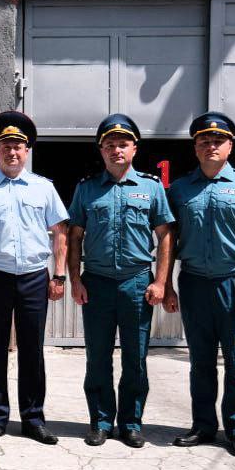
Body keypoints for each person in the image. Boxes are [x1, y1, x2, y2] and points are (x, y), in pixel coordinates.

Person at [162, 111, 235, 457]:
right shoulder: (179, 189)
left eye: (218, 140)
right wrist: (166, 284)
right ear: (195, 147)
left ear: (230, 146)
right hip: (194, 282)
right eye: (204, 141)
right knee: (201, 360)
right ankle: (203, 425)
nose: (211, 145)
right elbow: (169, 240)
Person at [0, 111, 69, 445]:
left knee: (32, 349)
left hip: (34, 277)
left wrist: (59, 274)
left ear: (27, 151)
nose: (12, 152)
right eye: (6, 146)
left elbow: (60, 232)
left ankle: (33, 418)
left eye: (18, 146)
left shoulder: (43, 188)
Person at [67, 114, 174, 448]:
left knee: (135, 358)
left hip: (136, 284)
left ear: (134, 148)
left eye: (123, 144)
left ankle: (130, 423)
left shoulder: (151, 188)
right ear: (101, 150)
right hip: (97, 284)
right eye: (110, 144)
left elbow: (165, 236)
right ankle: (100, 421)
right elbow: (74, 237)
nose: (116, 150)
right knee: (97, 357)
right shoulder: (86, 189)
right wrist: (75, 280)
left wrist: (160, 282)